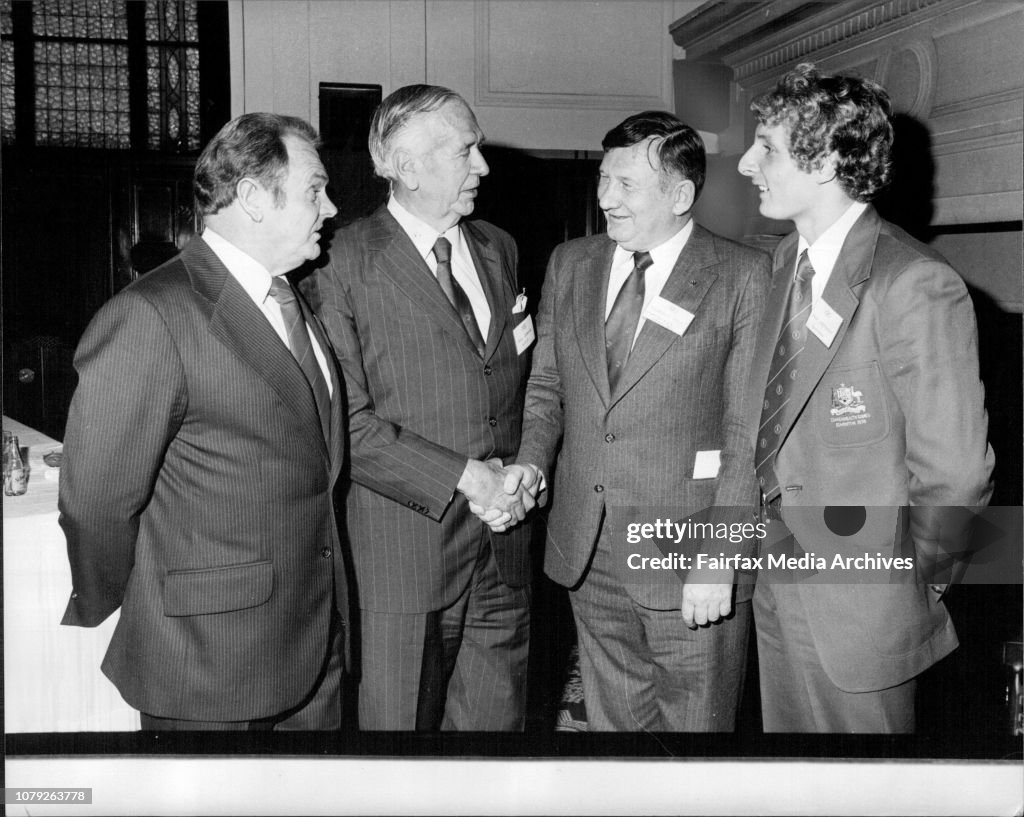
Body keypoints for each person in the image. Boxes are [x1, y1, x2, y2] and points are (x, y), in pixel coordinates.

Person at [60, 113, 348, 730]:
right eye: (314, 189)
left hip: (313, 638)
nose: (331, 206)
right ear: (251, 197)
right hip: (207, 659)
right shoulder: (150, 315)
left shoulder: (291, 297)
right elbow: (97, 502)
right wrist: (144, 602)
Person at [737, 63, 995, 732]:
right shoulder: (775, 267)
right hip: (775, 587)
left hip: (863, 608)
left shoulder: (913, 282)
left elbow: (957, 471)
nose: (745, 163)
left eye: (764, 145)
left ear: (822, 160)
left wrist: (914, 580)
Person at [513, 111, 770, 731]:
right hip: (588, 544)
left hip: (689, 553)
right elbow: (548, 386)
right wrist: (529, 459)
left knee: (695, 740)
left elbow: (746, 433)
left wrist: (720, 556)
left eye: (626, 185)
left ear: (680, 195)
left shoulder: (743, 276)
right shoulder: (571, 263)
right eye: (603, 180)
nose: (605, 199)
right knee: (612, 731)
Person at [305, 85, 537, 731]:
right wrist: (469, 475)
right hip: (402, 554)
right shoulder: (338, 261)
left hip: (502, 545)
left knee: (496, 748)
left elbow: (513, 384)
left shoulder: (498, 248)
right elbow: (347, 422)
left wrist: (523, 472)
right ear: (405, 167)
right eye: (465, 151)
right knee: (396, 752)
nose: (482, 167)